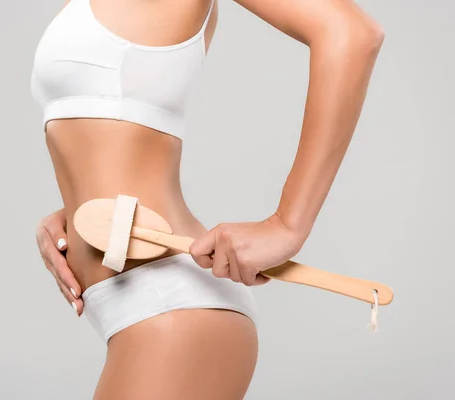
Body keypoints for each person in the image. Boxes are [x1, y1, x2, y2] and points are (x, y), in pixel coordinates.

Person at [32, 0, 384, 398]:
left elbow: (351, 33)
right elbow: (120, 117)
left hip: (168, 304)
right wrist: (74, 217)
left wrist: (288, 224)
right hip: (136, 306)